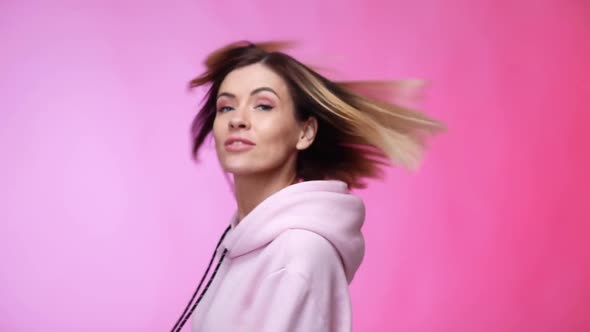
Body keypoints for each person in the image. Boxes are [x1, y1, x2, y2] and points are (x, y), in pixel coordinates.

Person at [170, 41, 443, 332]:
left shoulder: (297, 254)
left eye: (263, 105)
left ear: (305, 132)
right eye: (226, 107)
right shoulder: (242, 244)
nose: (237, 119)